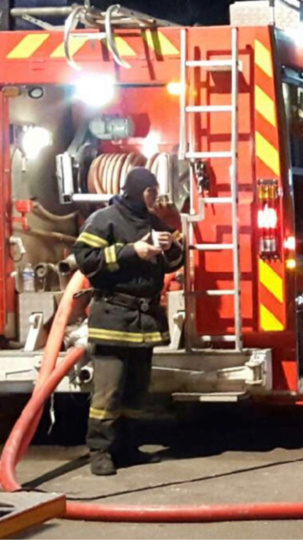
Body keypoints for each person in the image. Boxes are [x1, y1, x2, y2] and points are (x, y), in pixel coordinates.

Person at [74, 168, 183, 476]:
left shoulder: (152, 221)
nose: (154, 197)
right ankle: (100, 451)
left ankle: (127, 447)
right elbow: (85, 259)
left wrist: (170, 246)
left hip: (144, 321)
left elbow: (176, 261)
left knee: (136, 390)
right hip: (113, 317)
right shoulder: (104, 219)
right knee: (108, 392)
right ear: (137, 190)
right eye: (151, 192)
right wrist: (132, 251)